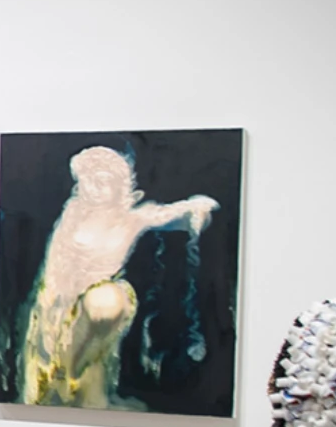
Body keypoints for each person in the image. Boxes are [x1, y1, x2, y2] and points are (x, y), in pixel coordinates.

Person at [19, 146, 219, 409]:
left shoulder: (133, 217)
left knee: (105, 305)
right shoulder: (73, 215)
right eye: (87, 180)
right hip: (59, 301)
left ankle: (72, 376)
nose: (94, 188)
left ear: (120, 185)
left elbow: (170, 214)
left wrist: (197, 206)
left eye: (103, 181)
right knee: (50, 371)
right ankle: (63, 383)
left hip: (101, 298)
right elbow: (58, 265)